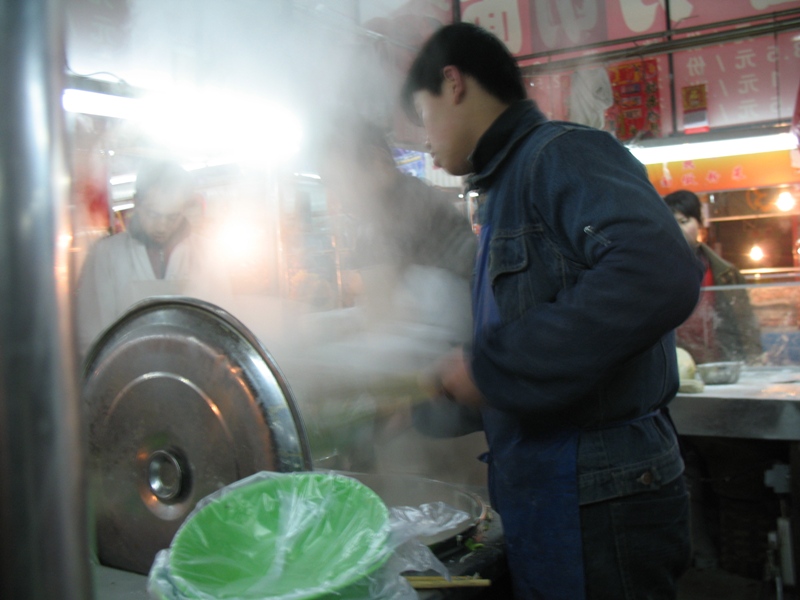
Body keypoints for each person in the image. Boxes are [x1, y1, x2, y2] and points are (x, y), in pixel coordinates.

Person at [400, 22, 702, 599]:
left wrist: (487, 368)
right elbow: (533, 364)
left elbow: (658, 272)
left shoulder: (561, 155)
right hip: (548, 494)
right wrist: (428, 406)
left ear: (453, 83)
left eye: (422, 113)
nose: (425, 142)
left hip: (602, 494)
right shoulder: (504, 193)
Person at [76, 159, 228, 360]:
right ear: (136, 202)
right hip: (124, 377)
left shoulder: (208, 253)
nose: (161, 226)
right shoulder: (106, 255)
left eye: (172, 217)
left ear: (184, 208)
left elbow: (224, 328)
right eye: (153, 214)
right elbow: (91, 335)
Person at [664, 189, 762, 364]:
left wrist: (754, 358)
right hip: (676, 366)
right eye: (671, 223)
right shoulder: (655, 273)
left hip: (722, 363)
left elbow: (745, 322)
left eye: (683, 221)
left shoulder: (726, 273)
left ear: (700, 223)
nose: (678, 229)